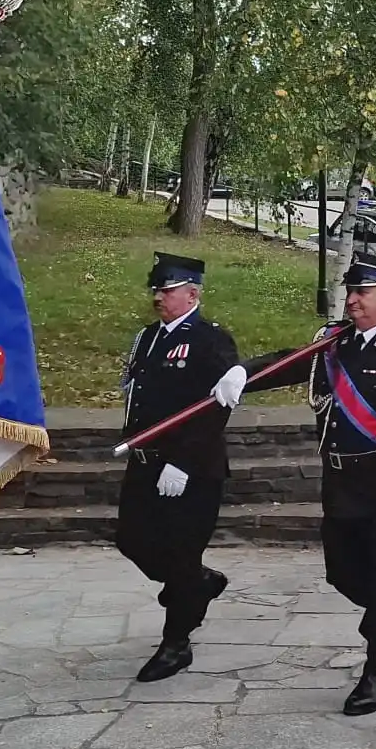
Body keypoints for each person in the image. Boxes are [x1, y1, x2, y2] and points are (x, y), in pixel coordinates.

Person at [244, 252, 376, 714]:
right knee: (344, 573)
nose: (352, 300)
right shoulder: (334, 343)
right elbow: (289, 363)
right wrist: (241, 373)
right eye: (350, 292)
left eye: (362, 292)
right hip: (342, 482)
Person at [114, 251, 248, 683]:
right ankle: (199, 583)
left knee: (180, 550)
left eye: (167, 290)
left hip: (191, 469)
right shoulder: (147, 338)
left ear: (192, 293)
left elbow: (216, 408)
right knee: (132, 541)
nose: (159, 297)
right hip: (145, 462)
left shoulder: (211, 339)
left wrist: (182, 461)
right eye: (156, 290)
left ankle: (177, 643)